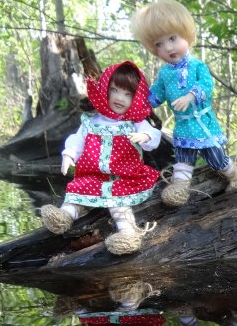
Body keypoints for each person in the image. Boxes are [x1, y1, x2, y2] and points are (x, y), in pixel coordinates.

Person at [130, 0, 237, 208]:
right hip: (183, 125)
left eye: (172, 38)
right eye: (159, 44)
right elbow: (156, 94)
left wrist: (191, 96)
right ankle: (179, 188)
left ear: (186, 34)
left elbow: (206, 84)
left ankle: (236, 174)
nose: (168, 47)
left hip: (202, 122)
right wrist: (140, 106)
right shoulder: (165, 73)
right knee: (183, 158)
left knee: (215, 158)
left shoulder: (196, 65)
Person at [40, 61, 161, 255]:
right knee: (76, 192)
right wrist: (69, 154)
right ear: (105, 89)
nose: (120, 98)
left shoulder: (136, 122)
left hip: (124, 178)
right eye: (114, 90)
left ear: (136, 97)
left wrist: (144, 136)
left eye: (127, 94)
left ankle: (128, 234)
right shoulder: (91, 120)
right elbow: (77, 140)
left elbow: (154, 136)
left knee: (118, 203)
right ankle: (64, 216)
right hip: (93, 176)